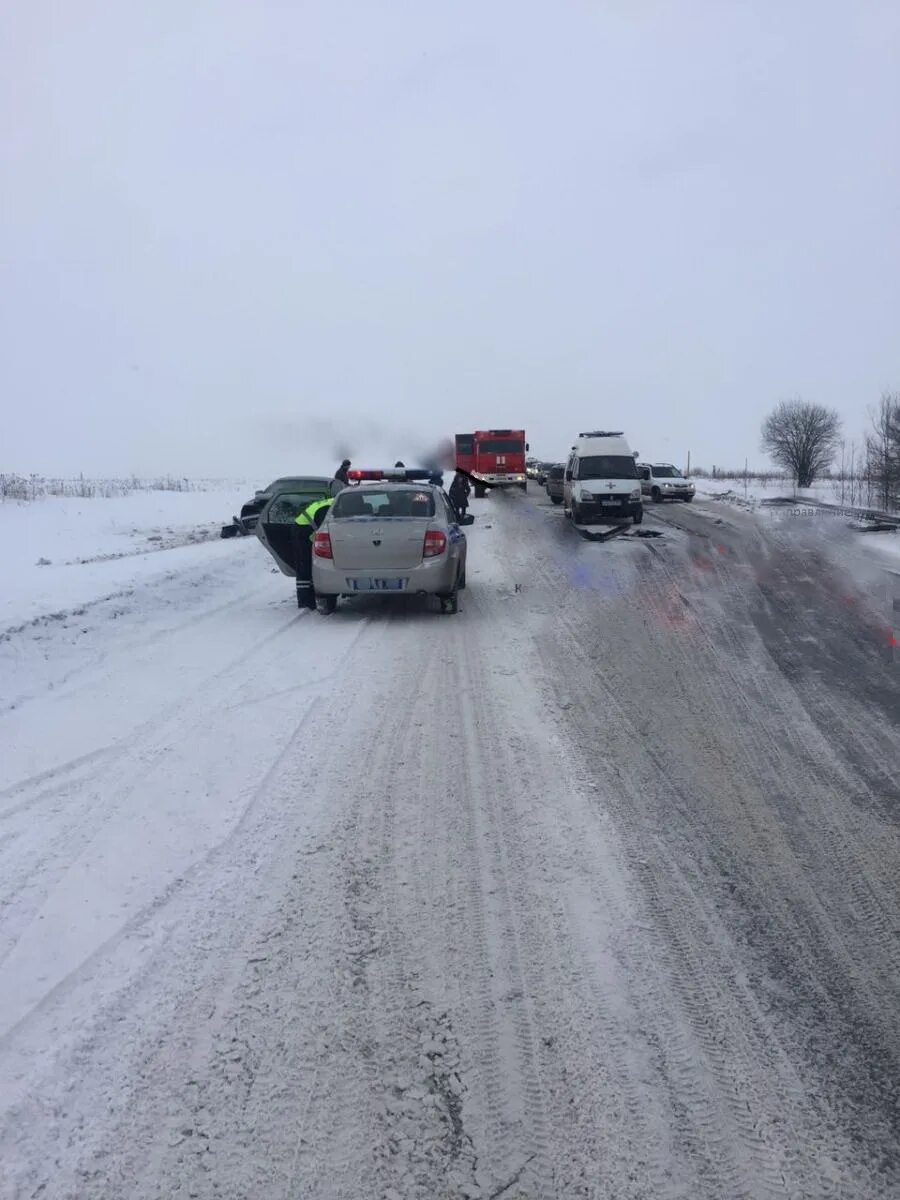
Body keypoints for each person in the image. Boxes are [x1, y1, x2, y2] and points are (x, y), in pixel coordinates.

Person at [293, 493, 335, 610]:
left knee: (311, 563)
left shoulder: (332, 503)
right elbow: (325, 529)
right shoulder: (328, 508)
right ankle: (305, 602)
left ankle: (310, 597)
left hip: (306, 526)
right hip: (302, 528)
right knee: (304, 565)